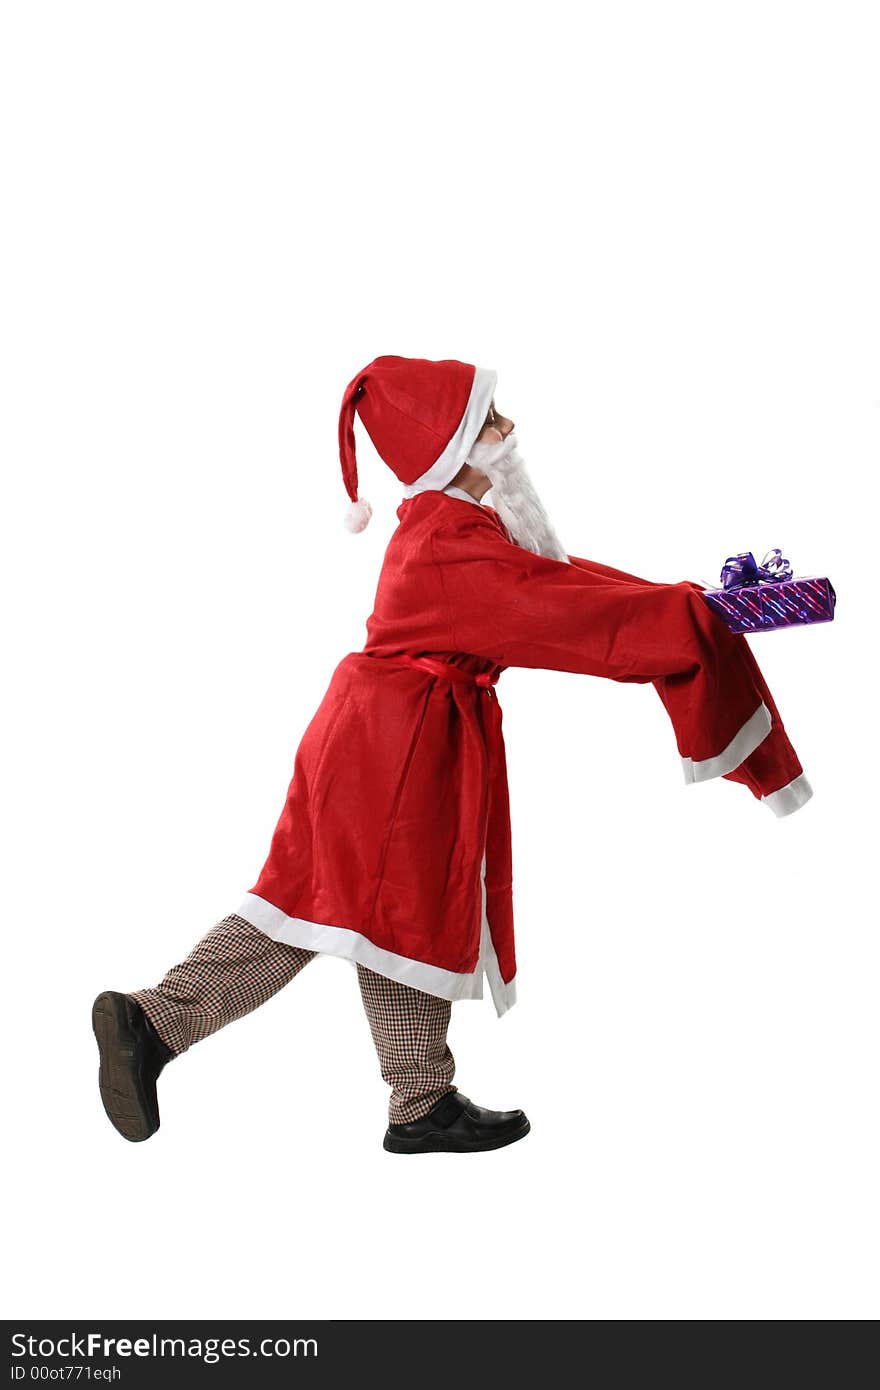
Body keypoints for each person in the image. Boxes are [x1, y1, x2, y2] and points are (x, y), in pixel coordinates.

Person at [93, 354, 812, 1154]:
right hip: (390, 750)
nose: (510, 430)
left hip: (393, 736)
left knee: (387, 913)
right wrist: (687, 620)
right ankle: (155, 1020)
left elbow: (569, 584)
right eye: (494, 420)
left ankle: (419, 1100)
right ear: (461, 445)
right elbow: (561, 617)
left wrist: (698, 604)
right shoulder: (447, 541)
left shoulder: (462, 530)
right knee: (316, 908)